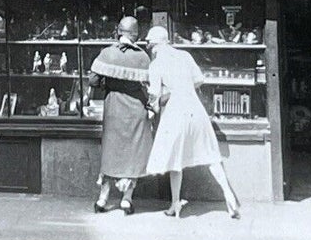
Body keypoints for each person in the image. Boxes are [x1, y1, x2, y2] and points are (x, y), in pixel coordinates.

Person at [144, 25, 241, 220]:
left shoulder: (156, 65)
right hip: (195, 109)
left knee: (175, 160)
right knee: (211, 155)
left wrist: (156, 104)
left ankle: (175, 205)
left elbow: (154, 96)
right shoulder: (185, 56)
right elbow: (199, 80)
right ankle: (229, 196)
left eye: (150, 45)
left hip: (175, 112)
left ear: (154, 45)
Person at [86, 16, 153, 215]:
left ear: (119, 32)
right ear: (136, 34)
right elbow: (149, 85)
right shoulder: (143, 57)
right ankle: (126, 199)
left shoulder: (107, 53)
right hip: (136, 108)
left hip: (114, 106)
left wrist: (109, 84)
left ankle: (102, 199)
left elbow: (93, 80)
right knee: (133, 153)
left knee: (110, 151)